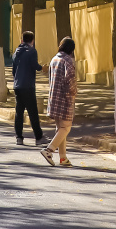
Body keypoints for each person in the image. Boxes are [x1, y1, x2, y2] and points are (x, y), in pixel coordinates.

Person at [41, 37, 77, 167]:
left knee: (60, 128)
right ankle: (49, 150)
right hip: (65, 99)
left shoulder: (54, 59)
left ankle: (63, 158)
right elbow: (71, 82)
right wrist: (74, 93)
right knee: (66, 127)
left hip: (53, 98)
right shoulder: (67, 61)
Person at [11, 30, 44, 146]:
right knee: (33, 112)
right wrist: (42, 68)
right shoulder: (32, 51)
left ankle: (19, 137)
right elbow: (34, 65)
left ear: (22, 40)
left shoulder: (16, 52)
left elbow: (13, 71)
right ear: (32, 40)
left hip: (17, 85)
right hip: (28, 85)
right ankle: (39, 137)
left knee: (19, 112)